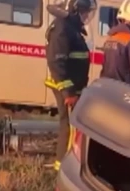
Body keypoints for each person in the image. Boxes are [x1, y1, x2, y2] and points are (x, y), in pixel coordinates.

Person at [44, 0, 96, 170]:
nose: (87, 16)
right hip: (67, 89)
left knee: (69, 125)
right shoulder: (63, 28)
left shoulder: (71, 28)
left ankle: (63, 165)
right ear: (75, 10)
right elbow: (56, 63)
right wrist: (68, 92)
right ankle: (63, 168)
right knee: (70, 127)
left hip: (72, 88)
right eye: (85, 12)